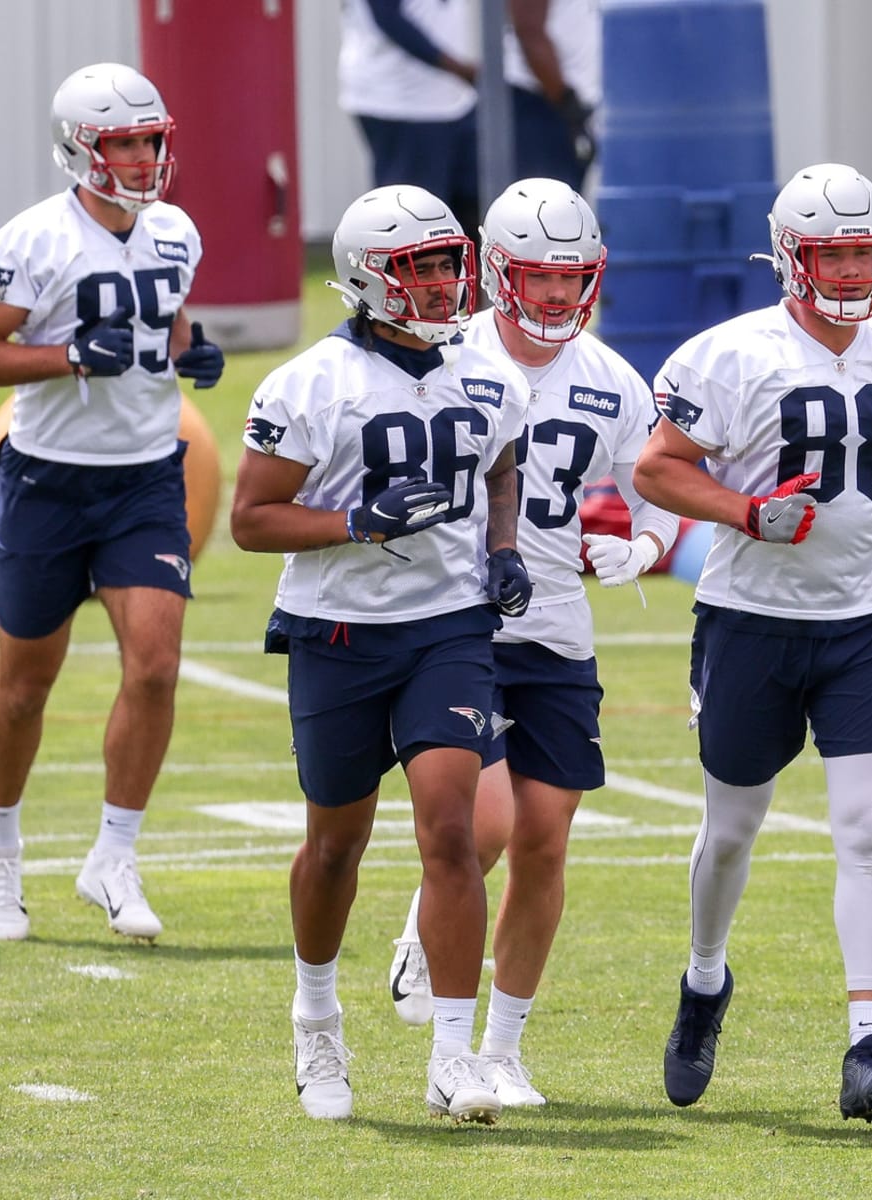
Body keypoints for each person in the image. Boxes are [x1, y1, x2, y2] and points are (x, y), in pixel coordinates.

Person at [631, 163, 872, 1123]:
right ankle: (704, 982)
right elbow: (658, 467)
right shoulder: (732, 356)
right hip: (752, 623)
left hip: (870, 620)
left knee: (865, 830)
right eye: (834, 253)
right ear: (791, 257)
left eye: (866, 250)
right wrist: (744, 512)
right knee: (732, 831)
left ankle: (867, 1043)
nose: (855, 269)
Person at [230, 183, 533, 1125]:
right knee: (336, 844)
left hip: (447, 625)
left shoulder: (488, 374)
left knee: (452, 829)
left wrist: (504, 549)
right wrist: (355, 522)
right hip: (338, 632)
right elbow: (250, 520)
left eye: (449, 264)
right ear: (368, 277)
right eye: (420, 267)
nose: (443, 284)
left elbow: (501, 465)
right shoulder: (308, 384)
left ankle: (452, 1055)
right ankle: (315, 1018)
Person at [386, 177, 679, 1106]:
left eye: (573, 277)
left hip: (555, 624)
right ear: (497, 271)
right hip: (453, 617)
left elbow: (661, 479)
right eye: (539, 276)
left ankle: (503, 1051)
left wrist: (643, 543)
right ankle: (429, 966)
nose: (557, 295)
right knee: (489, 820)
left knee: (546, 839)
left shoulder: (610, 379)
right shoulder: (444, 353)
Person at [0, 62, 225, 943]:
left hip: (146, 477)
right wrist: (66, 357)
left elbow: (169, 326)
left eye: (152, 141)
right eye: (124, 144)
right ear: (81, 150)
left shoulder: (174, 231)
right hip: (47, 480)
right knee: (25, 687)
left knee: (154, 666)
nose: (144, 158)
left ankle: (114, 855)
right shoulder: (31, 240)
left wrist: (193, 351)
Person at [338, 0, 481, 241]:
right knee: (411, 220)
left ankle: (464, 279)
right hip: (399, 101)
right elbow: (388, 17)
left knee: (468, 211)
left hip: (453, 98)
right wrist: (457, 68)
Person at [506, 0, 601, 193]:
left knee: (576, 208)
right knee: (545, 208)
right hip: (542, 102)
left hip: (581, 105)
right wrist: (566, 101)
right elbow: (528, 32)